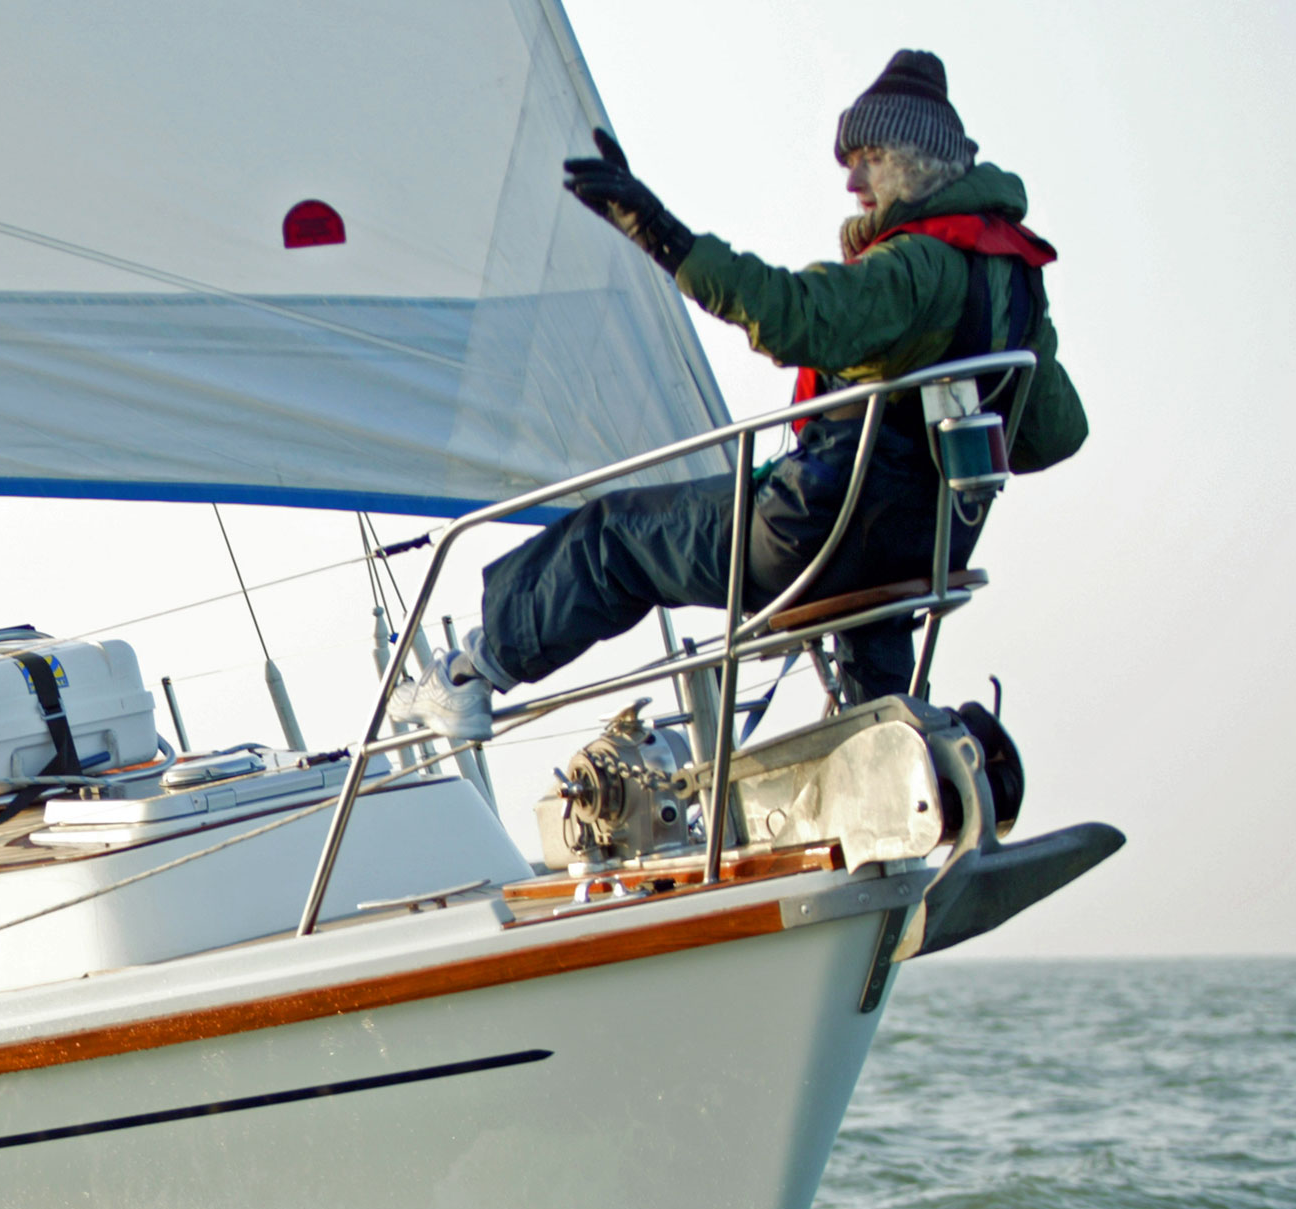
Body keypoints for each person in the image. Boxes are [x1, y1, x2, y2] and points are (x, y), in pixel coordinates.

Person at [403, 50, 1086, 740]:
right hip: (926, 548)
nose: (850, 178)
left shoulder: (914, 268)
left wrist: (662, 236)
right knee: (869, 598)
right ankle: (895, 757)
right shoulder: (1018, 280)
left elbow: (792, 312)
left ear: (914, 160)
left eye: (867, 156)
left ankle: (471, 674)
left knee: (611, 538)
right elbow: (1055, 434)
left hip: (813, 534)